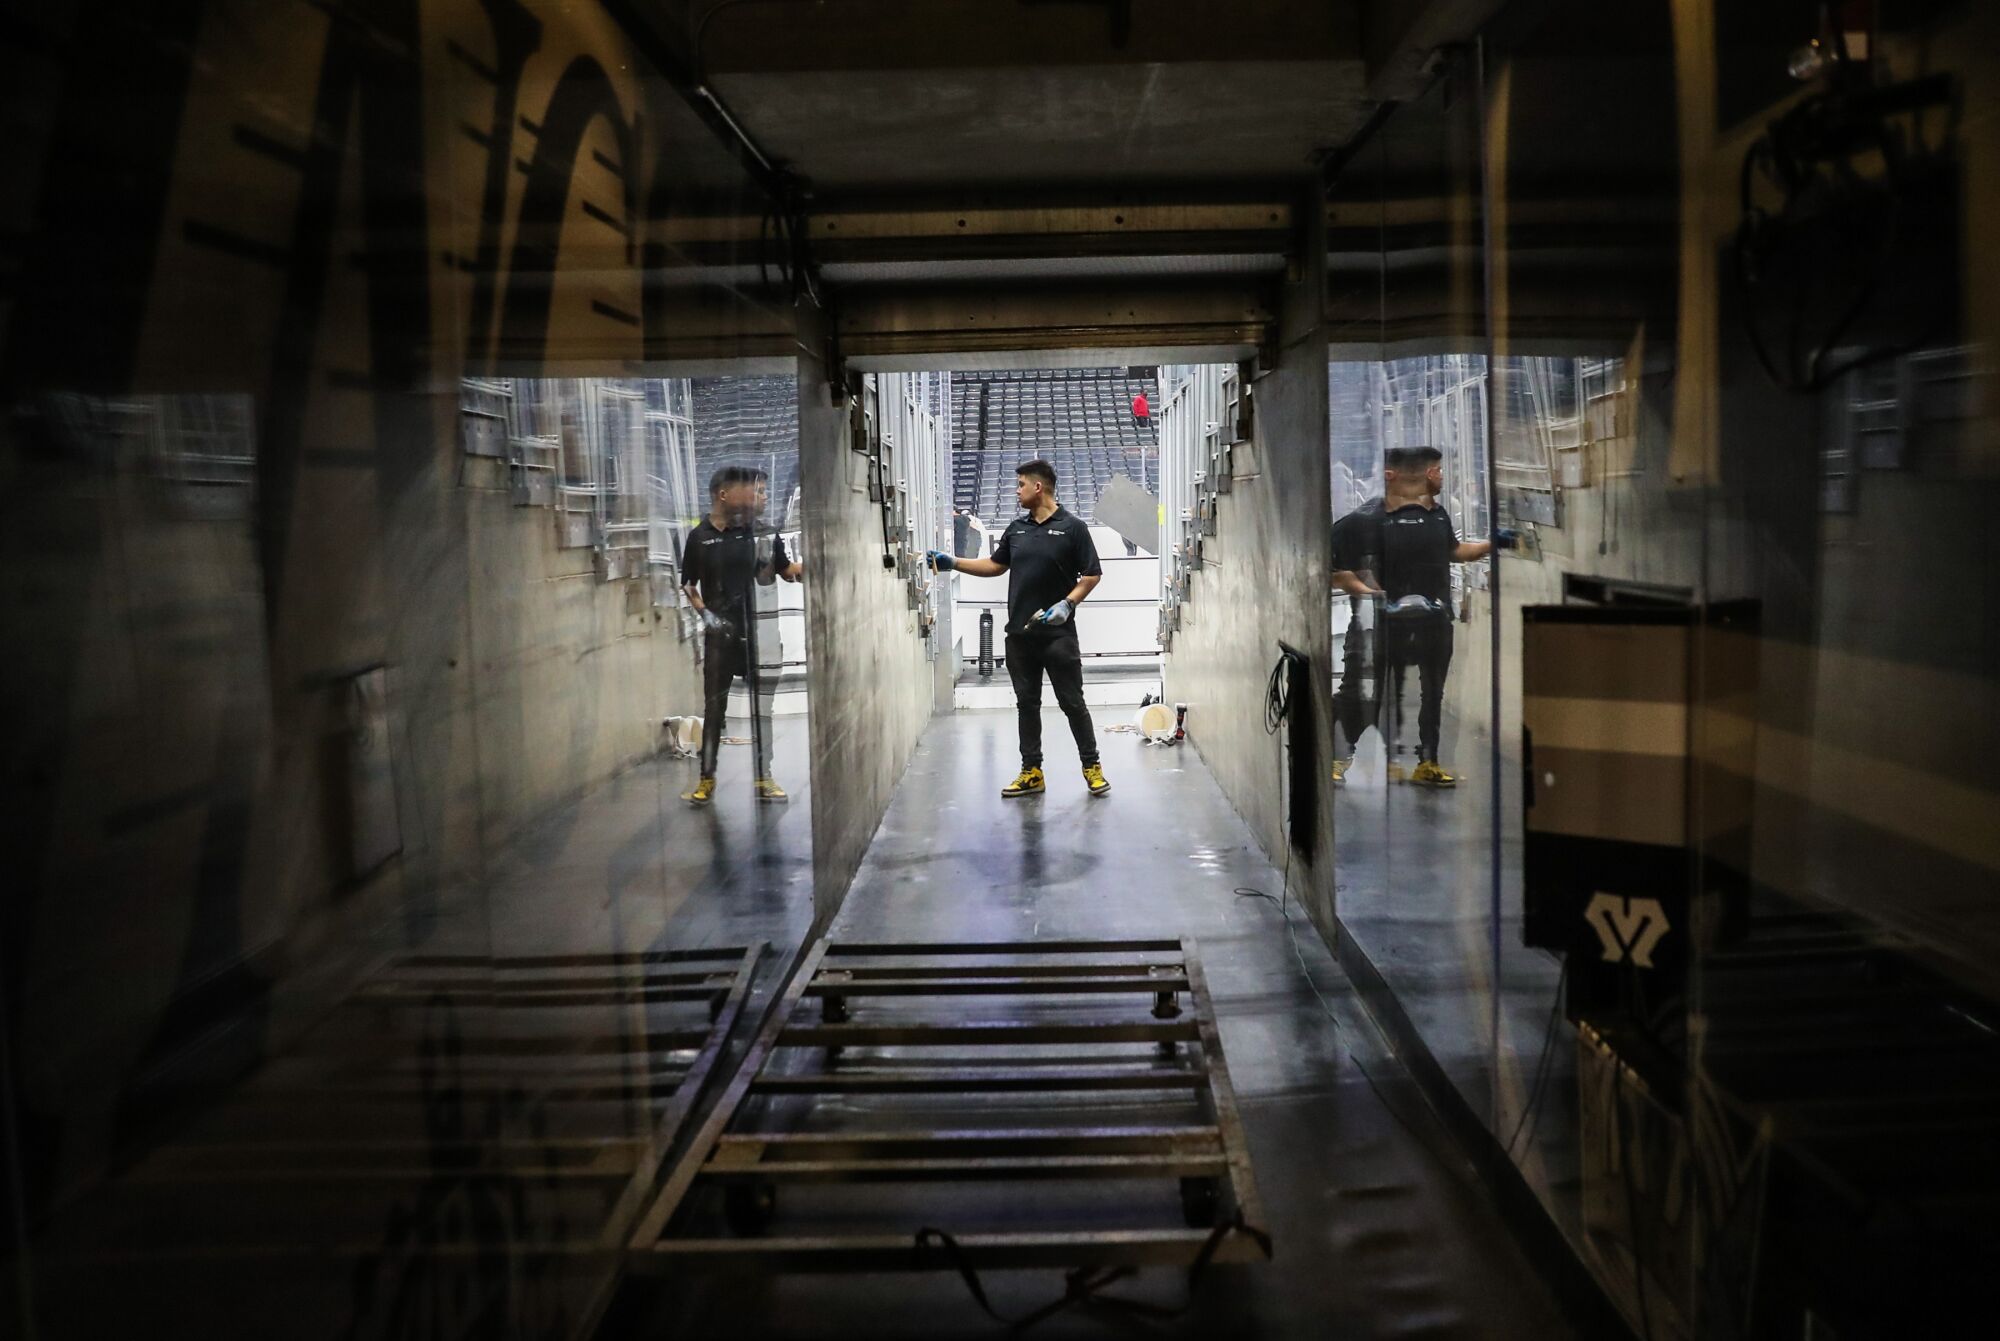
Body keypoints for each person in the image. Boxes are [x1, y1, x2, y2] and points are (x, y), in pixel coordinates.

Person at [1328, 446, 1511, 788]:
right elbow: (1335, 570)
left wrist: (1491, 543)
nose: (1441, 476)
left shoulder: (1437, 515)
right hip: (1378, 626)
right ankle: (1340, 756)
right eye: (1437, 471)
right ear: (1423, 475)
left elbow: (1453, 552)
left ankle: (1427, 761)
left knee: (1432, 692)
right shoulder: (1365, 520)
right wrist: (1372, 595)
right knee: (1362, 693)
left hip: (1432, 623)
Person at [925, 459, 1110, 798]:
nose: (1017, 490)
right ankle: (1032, 772)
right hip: (1020, 637)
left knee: (1072, 702)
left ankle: (1092, 767)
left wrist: (1067, 604)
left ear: (1038, 487)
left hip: (1059, 636)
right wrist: (953, 563)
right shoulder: (1017, 529)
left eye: (1021, 484)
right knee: (1027, 704)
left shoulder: (1073, 528)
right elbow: (996, 566)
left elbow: (1092, 574)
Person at [678, 465, 803, 807]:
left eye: (764, 491)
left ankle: (764, 777)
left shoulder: (764, 533)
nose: (763, 497)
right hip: (720, 641)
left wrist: (815, 565)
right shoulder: (699, 537)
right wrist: (709, 617)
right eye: (757, 490)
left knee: (762, 709)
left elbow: (787, 570)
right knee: (714, 710)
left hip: (760, 637)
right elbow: (689, 585)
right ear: (725, 494)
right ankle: (706, 779)